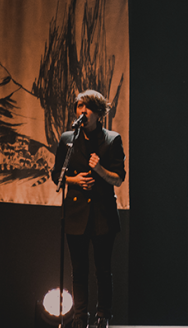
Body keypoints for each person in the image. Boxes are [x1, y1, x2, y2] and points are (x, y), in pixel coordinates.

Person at [51, 90, 126, 328]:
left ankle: (103, 315)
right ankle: (79, 318)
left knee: (103, 269)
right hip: (75, 214)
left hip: (102, 214)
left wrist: (100, 170)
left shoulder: (112, 139)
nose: (83, 112)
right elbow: (57, 176)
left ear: (99, 113)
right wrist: (76, 181)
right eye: (80, 106)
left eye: (89, 108)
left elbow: (118, 179)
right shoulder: (67, 139)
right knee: (78, 270)